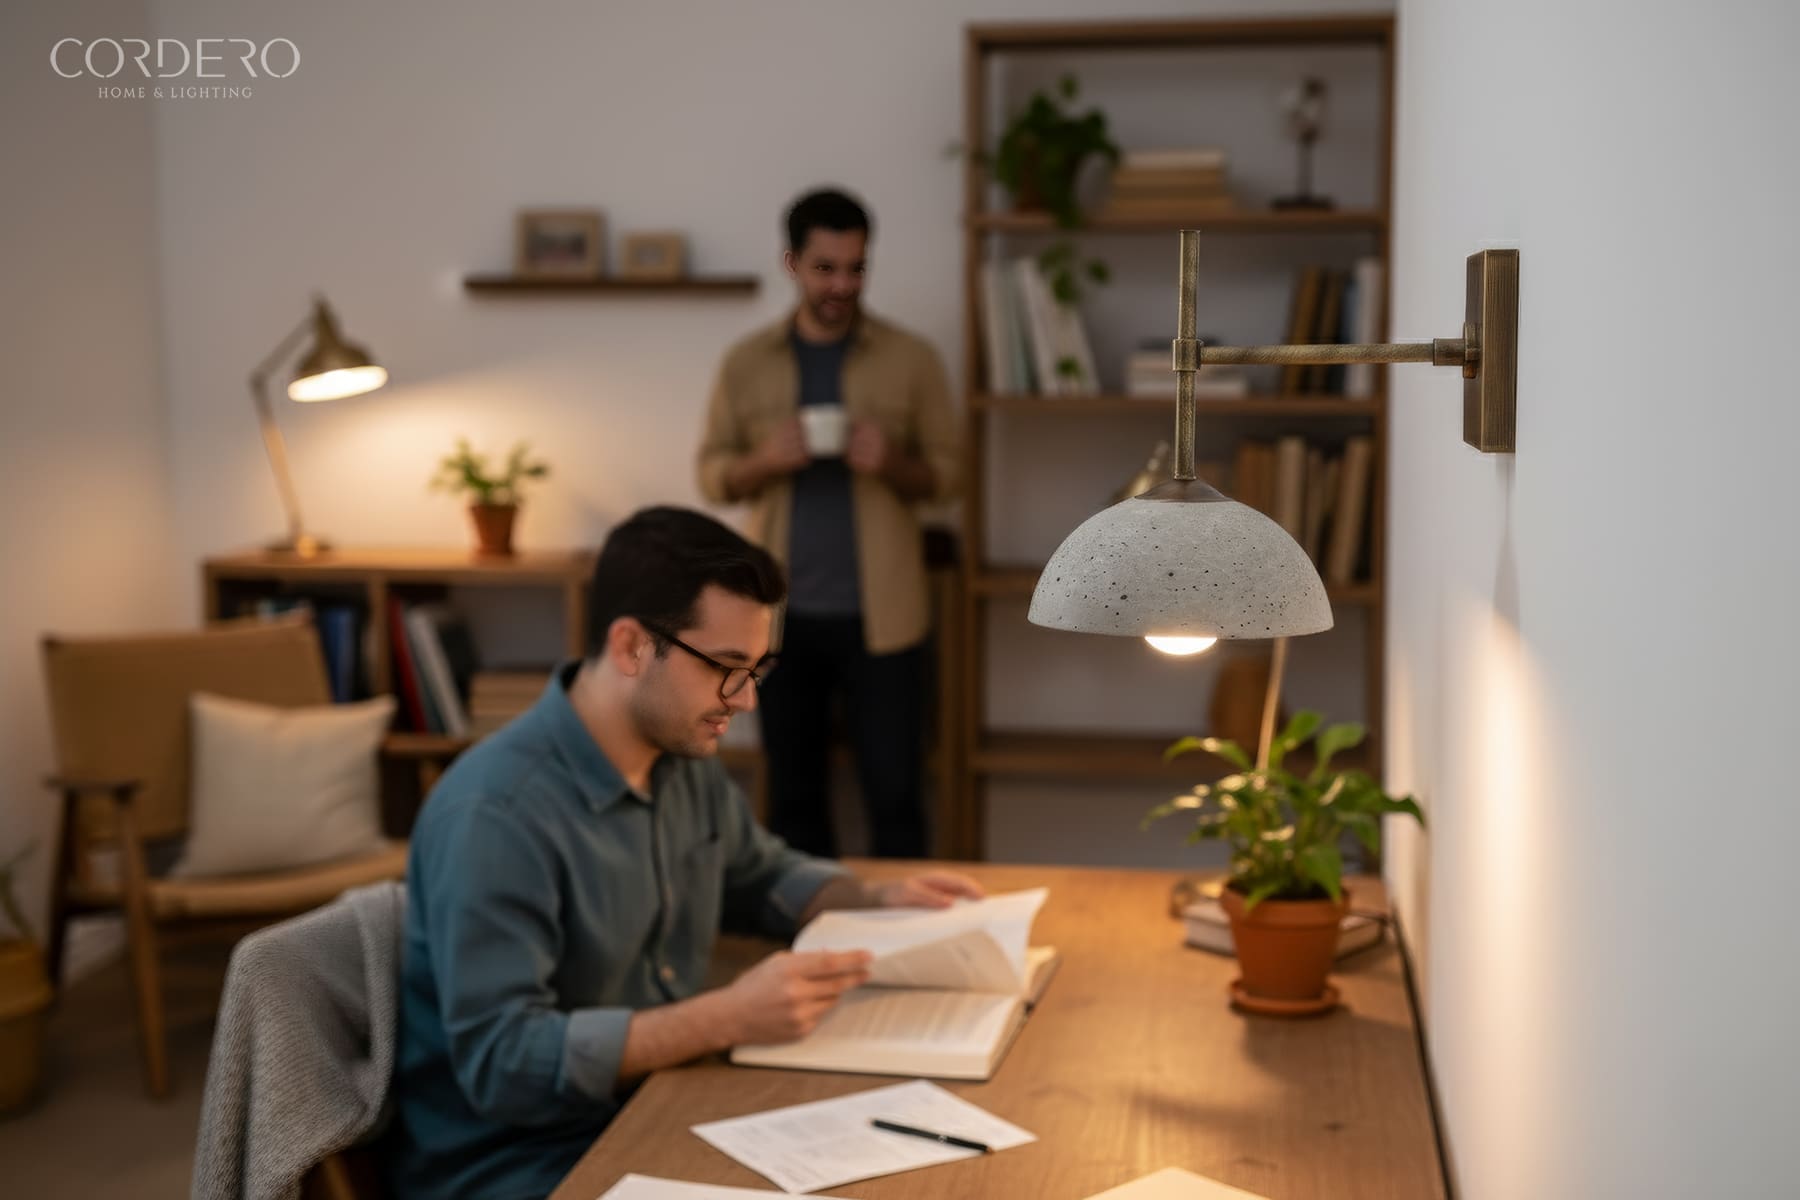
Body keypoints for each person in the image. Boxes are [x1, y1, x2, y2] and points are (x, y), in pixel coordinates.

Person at [383, 506, 982, 1200]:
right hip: (525, 1167)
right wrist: (726, 1017)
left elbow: (757, 875)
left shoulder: (679, 756)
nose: (747, 700)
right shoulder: (495, 815)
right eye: (726, 668)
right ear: (632, 646)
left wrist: (875, 901)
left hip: (660, 1109)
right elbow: (504, 1065)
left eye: (758, 670)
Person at [697, 186, 959, 859]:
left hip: (886, 619)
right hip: (777, 621)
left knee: (896, 795)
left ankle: (911, 921)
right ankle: (805, 922)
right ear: (791, 263)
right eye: (825, 268)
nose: (842, 284)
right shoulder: (746, 362)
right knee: (794, 799)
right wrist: (763, 459)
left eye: (855, 268)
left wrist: (893, 463)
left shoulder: (913, 359)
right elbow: (712, 475)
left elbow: (951, 476)